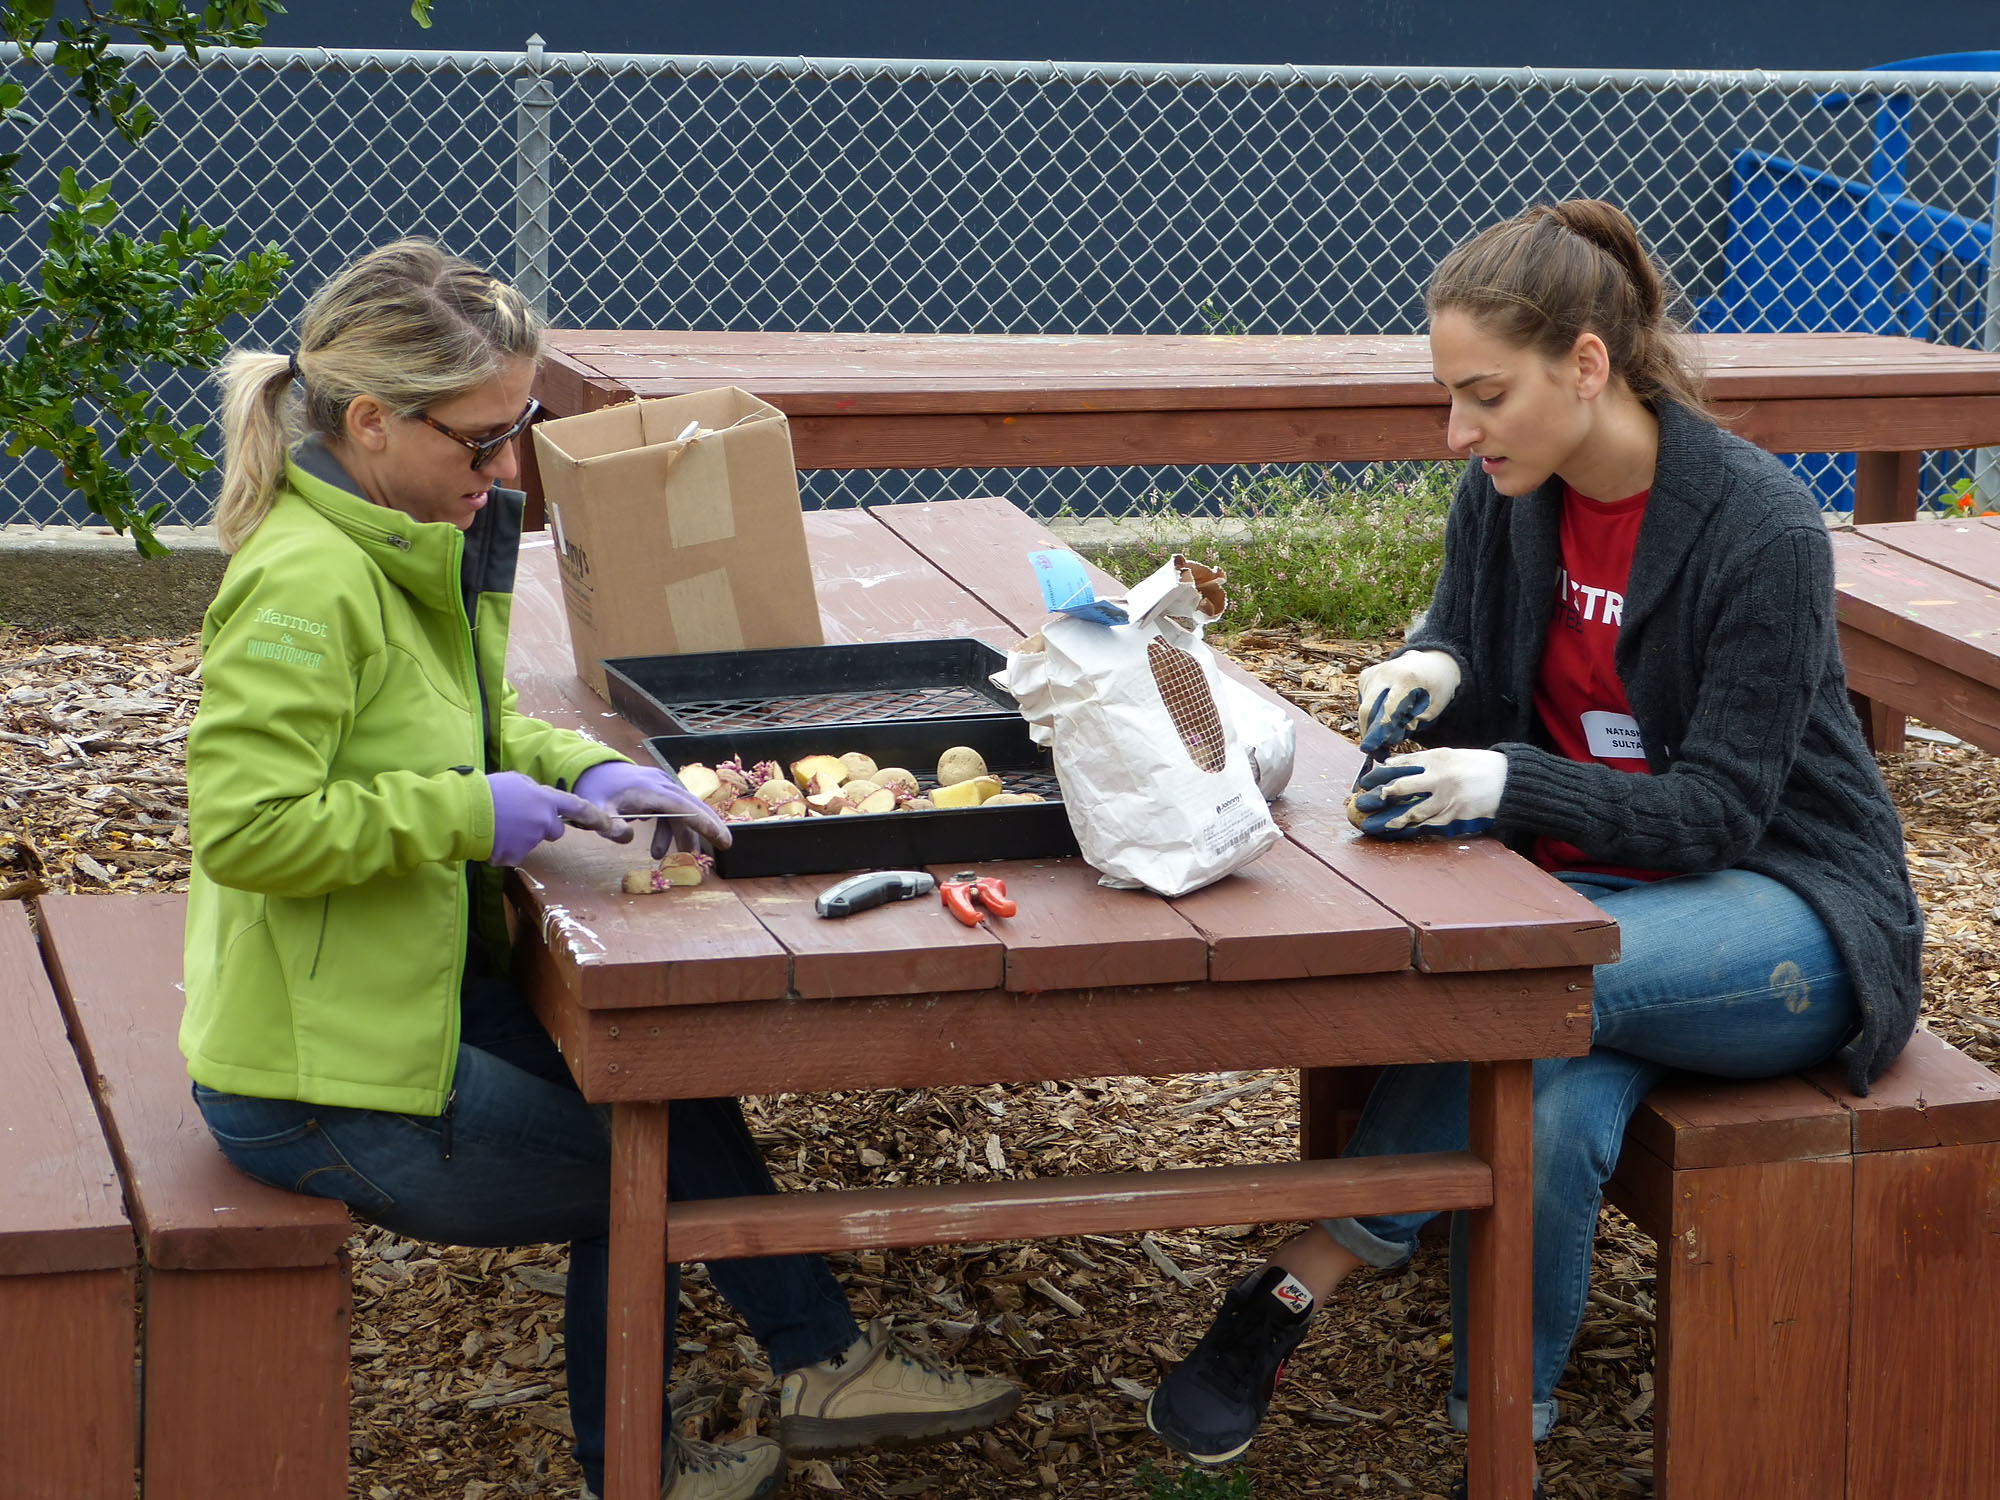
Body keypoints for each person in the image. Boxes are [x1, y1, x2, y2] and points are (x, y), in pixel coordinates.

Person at [181, 239, 1020, 1500]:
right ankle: (632, 1471)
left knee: (666, 1084)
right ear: (370, 420)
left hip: (385, 1001)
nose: (508, 469)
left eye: (518, 430)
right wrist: (467, 813)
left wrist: (587, 769)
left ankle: (825, 1366)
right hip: (311, 1081)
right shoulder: (306, 586)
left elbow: (461, 722)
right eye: (482, 441)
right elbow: (246, 830)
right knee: (638, 1180)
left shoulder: (396, 533)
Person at [1143, 200, 1924, 1493]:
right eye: (1449, 397)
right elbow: (1462, 631)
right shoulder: (1506, 493)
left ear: (1586, 365)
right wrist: (1431, 670)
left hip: (1790, 912)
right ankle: (1503, 1445)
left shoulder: (1761, 527)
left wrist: (1507, 778)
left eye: (1485, 395)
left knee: (1529, 988)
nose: (1458, 432)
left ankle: (1300, 1274)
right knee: (1551, 1109)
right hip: (1596, 901)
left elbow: (1718, 813)